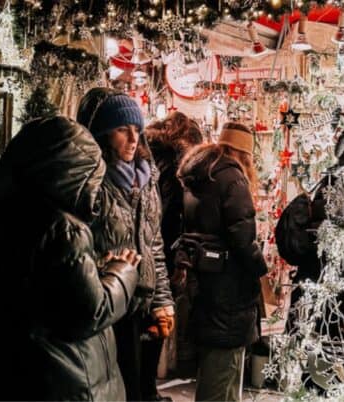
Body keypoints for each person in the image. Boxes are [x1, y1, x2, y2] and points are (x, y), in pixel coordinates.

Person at [0, 116, 140, 400]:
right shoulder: (62, 230)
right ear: (74, 175)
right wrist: (122, 272)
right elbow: (90, 312)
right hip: (60, 384)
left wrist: (96, 269)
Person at [77, 88, 175, 402]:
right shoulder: (92, 185)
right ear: (104, 135)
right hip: (110, 307)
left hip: (144, 305)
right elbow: (78, 247)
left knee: (145, 390)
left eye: (137, 130)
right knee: (119, 391)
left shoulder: (147, 180)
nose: (133, 139)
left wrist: (162, 300)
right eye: (123, 130)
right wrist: (106, 265)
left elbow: (154, 245)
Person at [176, 122, 269, 401]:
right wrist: (260, 272)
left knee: (213, 369)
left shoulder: (201, 174)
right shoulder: (233, 178)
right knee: (224, 374)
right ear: (245, 154)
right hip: (229, 289)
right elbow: (243, 239)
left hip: (206, 284)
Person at [146, 111, 204, 376]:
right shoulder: (174, 164)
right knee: (157, 317)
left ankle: (144, 387)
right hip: (160, 250)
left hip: (142, 247)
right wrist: (176, 257)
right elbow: (167, 213)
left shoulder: (148, 154)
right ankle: (146, 389)